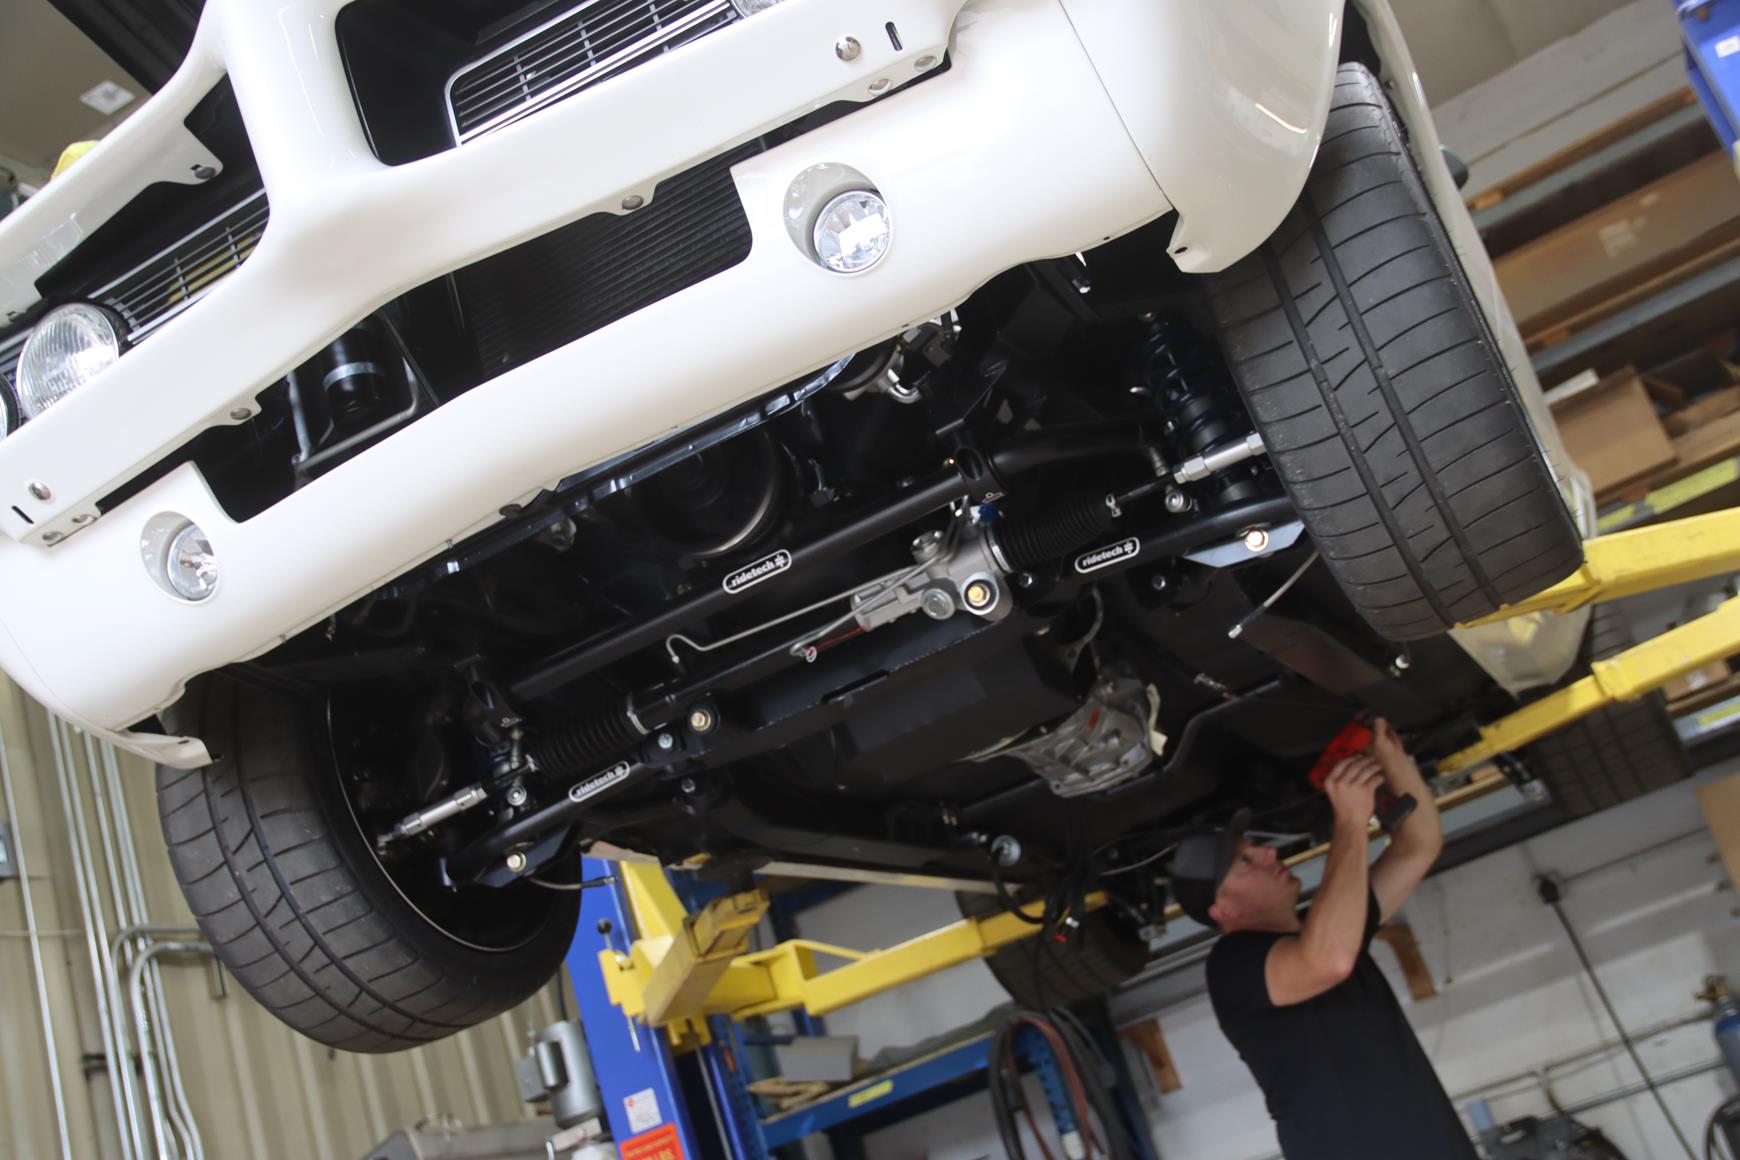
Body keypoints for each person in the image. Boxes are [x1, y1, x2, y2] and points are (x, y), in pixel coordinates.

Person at [1170, 718, 1473, 1160]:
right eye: (1246, 861)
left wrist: (1391, 759)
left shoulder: (1332, 927)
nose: (1269, 852)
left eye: (1255, 847)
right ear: (1223, 910)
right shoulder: (1232, 964)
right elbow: (1329, 961)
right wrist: (1349, 821)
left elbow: (1417, 846)